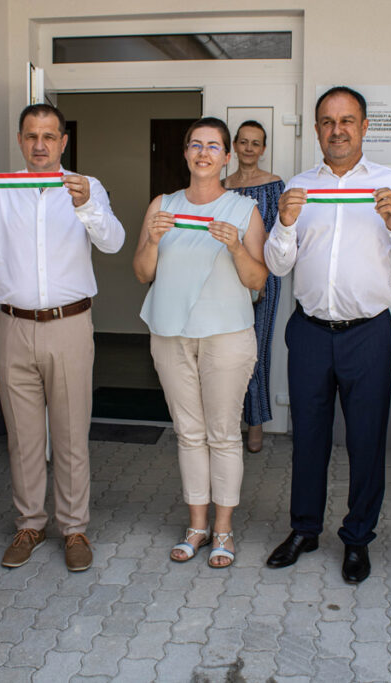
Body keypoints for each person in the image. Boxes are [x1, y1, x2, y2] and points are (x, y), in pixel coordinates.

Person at [264, 87, 391, 584]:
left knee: (366, 440)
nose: (336, 130)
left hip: (368, 334)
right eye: (327, 121)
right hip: (310, 332)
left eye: (346, 120)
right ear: (317, 129)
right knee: (308, 437)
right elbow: (277, 265)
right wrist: (285, 224)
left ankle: (358, 537)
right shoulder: (299, 186)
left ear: (363, 127)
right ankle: (305, 529)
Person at [0, 104, 124, 572]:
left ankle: (75, 528)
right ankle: (29, 524)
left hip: (69, 326)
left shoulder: (86, 186)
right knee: (23, 437)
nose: (40, 145)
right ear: (20, 141)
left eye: (49, 136)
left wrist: (86, 205)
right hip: (14, 326)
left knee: (70, 435)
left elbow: (113, 242)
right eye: (31, 136)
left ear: (64, 141)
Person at [134, 117, 268, 568]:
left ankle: (224, 529)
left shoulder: (244, 209)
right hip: (170, 334)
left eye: (213, 146)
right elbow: (142, 272)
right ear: (186, 153)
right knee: (188, 433)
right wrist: (153, 239)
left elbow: (258, 281)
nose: (204, 153)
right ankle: (196, 525)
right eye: (196, 144)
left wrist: (236, 248)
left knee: (223, 434)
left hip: (226, 335)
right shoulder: (163, 204)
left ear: (227, 156)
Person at [223, 120, 285, 454]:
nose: (249, 148)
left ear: (263, 149)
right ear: (234, 146)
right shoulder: (221, 185)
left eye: (255, 143)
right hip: (225, 276)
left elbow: (278, 235)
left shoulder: (274, 185)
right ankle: (228, 421)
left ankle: (256, 422)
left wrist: (261, 276)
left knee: (256, 352)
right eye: (244, 141)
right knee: (226, 351)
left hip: (264, 277)